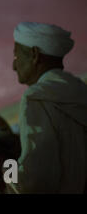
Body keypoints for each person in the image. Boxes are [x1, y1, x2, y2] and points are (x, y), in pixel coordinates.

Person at [10, 22, 87, 193]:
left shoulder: (36, 97)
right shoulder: (81, 91)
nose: (13, 66)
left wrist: (8, 167)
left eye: (16, 57)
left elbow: (33, 182)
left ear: (35, 54)